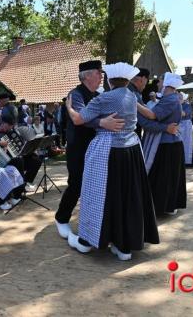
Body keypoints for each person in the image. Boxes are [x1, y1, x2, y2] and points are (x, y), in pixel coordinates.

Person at [64, 62, 159, 261]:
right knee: (127, 196)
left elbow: (79, 119)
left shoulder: (104, 98)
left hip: (110, 150)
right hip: (132, 150)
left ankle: (87, 241)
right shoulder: (132, 96)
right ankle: (124, 245)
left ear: (109, 80)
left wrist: (69, 108)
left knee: (99, 194)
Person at [55, 60, 125, 239]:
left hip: (97, 148)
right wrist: (102, 122)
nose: (102, 76)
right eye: (98, 73)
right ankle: (61, 219)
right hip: (78, 148)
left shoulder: (98, 94)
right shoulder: (75, 94)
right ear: (87, 75)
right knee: (76, 184)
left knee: (96, 185)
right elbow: (80, 117)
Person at [137, 72, 187, 216]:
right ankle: (167, 205)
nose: (158, 84)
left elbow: (152, 115)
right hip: (169, 142)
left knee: (164, 177)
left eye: (159, 81)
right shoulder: (170, 98)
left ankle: (165, 206)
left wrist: (134, 104)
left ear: (166, 84)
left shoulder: (170, 99)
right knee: (166, 176)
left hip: (167, 144)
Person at [128, 68, 150, 138]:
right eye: (147, 80)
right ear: (143, 78)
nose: (145, 85)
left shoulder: (128, 88)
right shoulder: (133, 92)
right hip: (131, 135)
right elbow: (145, 114)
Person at [179, 93, 193, 166]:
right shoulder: (177, 105)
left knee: (187, 143)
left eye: (180, 98)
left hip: (186, 126)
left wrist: (177, 108)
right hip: (178, 125)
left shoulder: (187, 105)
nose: (178, 99)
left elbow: (184, 114)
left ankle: (187, 161)